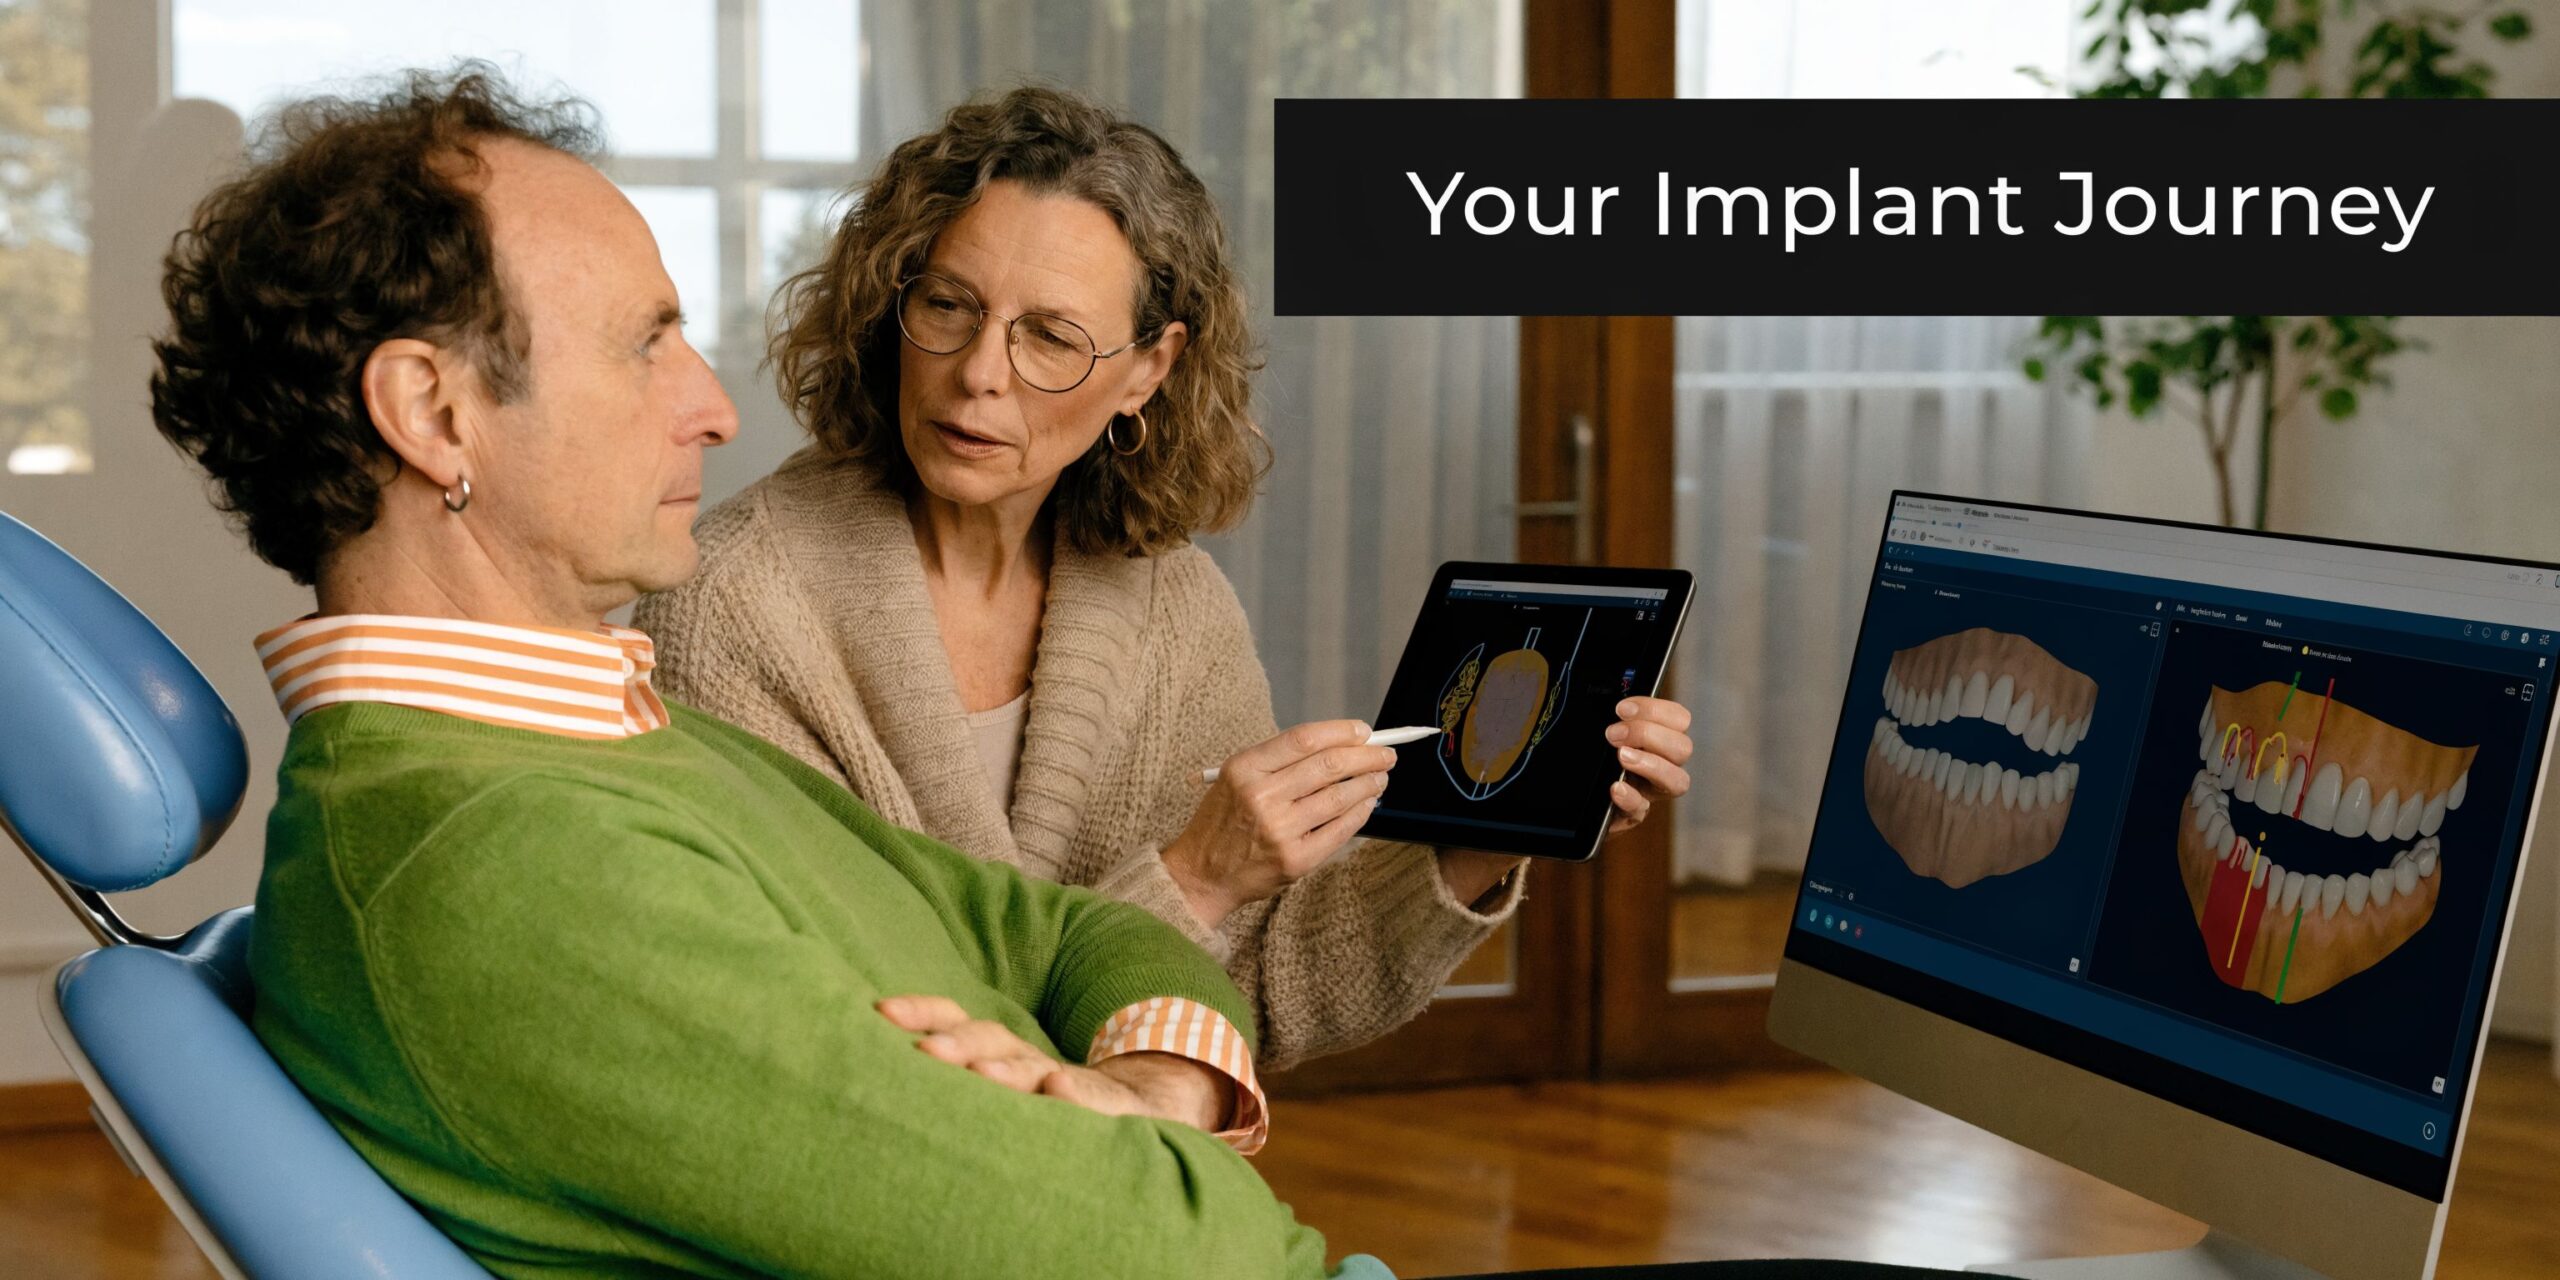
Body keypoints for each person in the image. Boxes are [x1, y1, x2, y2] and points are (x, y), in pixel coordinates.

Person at [149, 65, 1384, 1280]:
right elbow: (1184, 1249)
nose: (714, 408)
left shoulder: (601, 737)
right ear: (432, 412)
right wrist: (1167, 1139)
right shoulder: (512, 862)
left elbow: (1066, 932)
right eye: (646, 345)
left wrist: (1147, 1085)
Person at [635, 87, 1697, 1069]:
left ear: (1150, 366)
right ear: (890, 304)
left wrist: (1465, 845)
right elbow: (851, 1037)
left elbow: (1255, 989)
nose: (979, 371)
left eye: (1051, 335)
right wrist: (1193, 876)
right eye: (950, 304)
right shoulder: (731, 601)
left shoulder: (1176, 607)